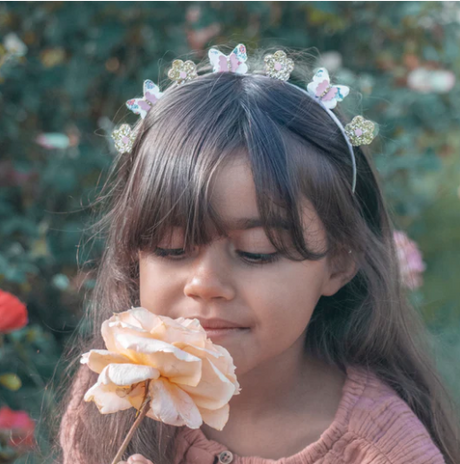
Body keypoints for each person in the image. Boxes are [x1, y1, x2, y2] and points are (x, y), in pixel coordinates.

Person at [53, 43, 460, 464]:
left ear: (338, 261)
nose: (205, 284)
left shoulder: (385, 449)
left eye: (256, 251)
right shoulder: (118, 394)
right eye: (171, 249)